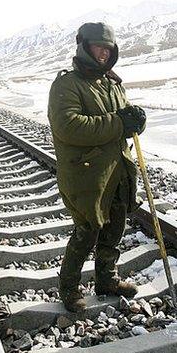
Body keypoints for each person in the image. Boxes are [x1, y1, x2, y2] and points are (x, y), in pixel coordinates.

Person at [48, 22, 147, 313]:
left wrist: (136, 121)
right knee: (87, 230)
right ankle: (69, 288)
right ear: (84, 46)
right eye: (98, 47)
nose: (103, 54)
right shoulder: (66, 85)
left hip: (118, 170)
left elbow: (124, 119)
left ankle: (107, 279)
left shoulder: (112, 83)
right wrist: (119, 122)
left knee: (115, 226)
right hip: (86, 174)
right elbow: (69, 127)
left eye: (108, 49)